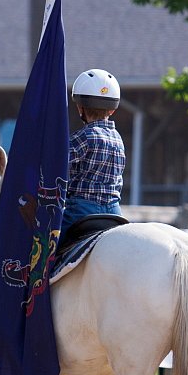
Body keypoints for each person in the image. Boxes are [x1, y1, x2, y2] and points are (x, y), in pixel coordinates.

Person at [59, 68, 125, 245]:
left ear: (80, 107)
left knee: (44, 247)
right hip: (114, 211)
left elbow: (56, 165)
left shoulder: (84, 136)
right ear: (112, 110)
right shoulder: (118, 138)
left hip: (81, 210)